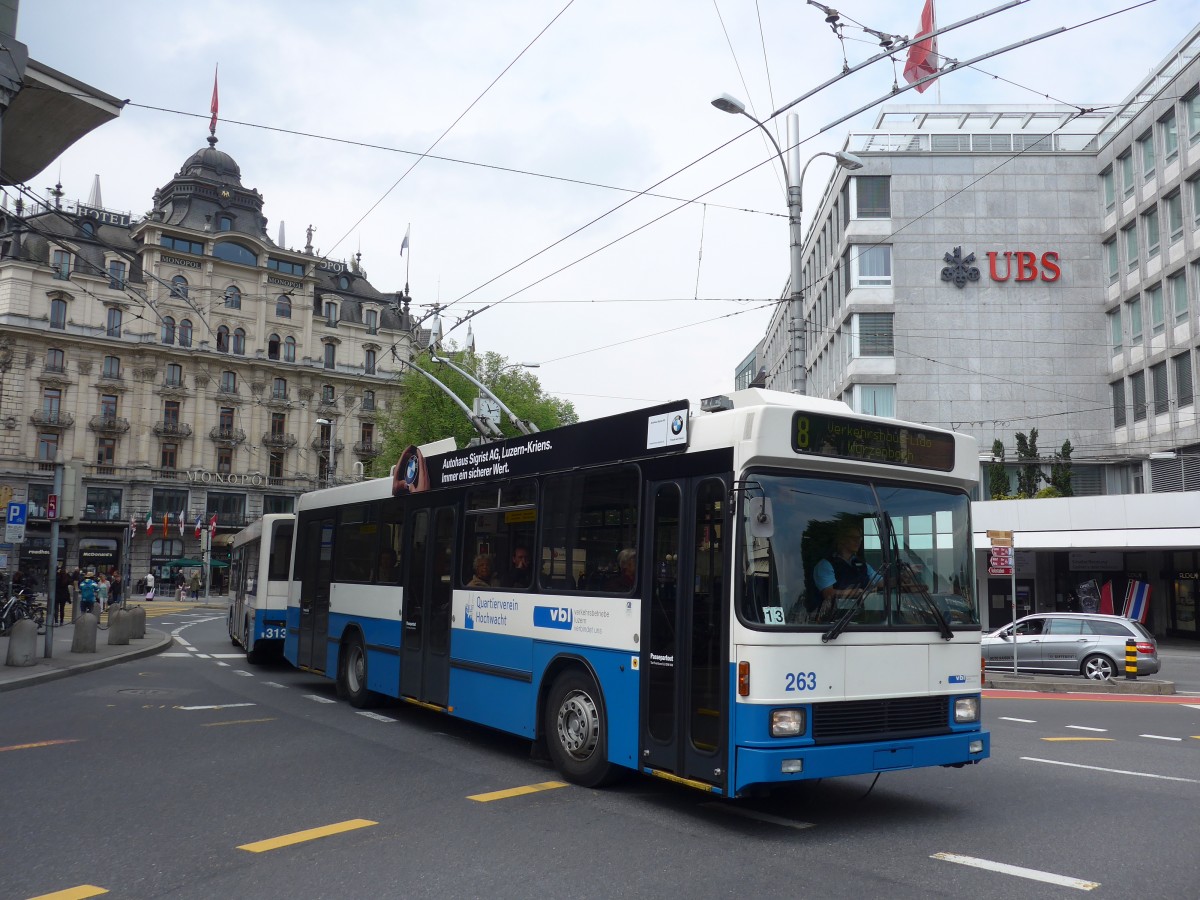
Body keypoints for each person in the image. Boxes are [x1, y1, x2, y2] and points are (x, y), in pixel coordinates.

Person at [812, 520, 877, 621]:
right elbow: (828, 593)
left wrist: (901, 578)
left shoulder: (862, 565)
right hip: (834, 622)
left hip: (861, 618)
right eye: (854, 538)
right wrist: (853, 592)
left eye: (860, 538)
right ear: (841, 539)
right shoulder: (826, 565)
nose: (858, 541)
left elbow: (881, 582)